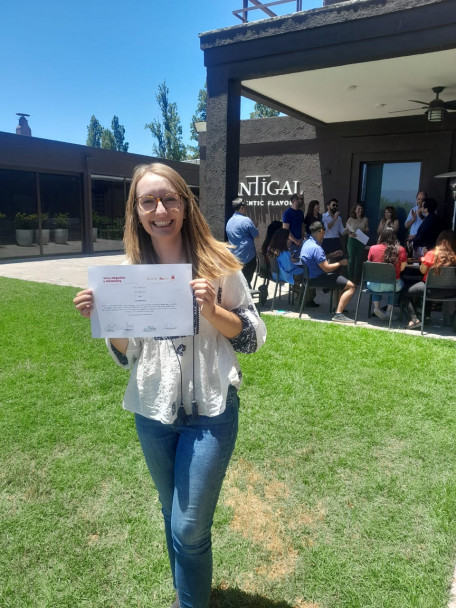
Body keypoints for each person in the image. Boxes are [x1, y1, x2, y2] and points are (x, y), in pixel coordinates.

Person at [73, 163, 267, 608]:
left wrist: (213, 309)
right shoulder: (128, 273)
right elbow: (127, 355)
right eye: (148, 201)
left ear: (185, 202)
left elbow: (254, 337)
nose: (159, 210)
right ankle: (187, 592)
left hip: (211, 412)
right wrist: (105, 320)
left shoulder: (218, 261)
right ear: (136, 210)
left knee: (188, 526)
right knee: (171, 512)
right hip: (153, 410)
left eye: (169, 199)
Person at [300, 221, 356, 323]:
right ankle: (338, 314)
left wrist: (331, 255)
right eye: (324, 231)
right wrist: (341, 263)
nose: (324, 233)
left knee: (341, 282)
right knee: (351, 286)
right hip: (318, 279)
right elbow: (327, 268)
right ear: (321, 231)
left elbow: (316, 259)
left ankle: (337, 308)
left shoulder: (307, 243)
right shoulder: (317, 248)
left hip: (308, 278)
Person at [402, 229, 456, 329]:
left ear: (439, 240)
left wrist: (426, 256)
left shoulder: (432, 254)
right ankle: (426, 316)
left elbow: (422, 271)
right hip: (451, 292)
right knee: (426, 286)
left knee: (405, 292)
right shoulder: (454, 256)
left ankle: (415, 319)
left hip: (431, 290)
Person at [366, 227, 407, 321]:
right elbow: (402, 268)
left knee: (376, 279)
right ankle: (389, 311)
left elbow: (369, 267)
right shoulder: (401, 250)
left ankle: (376, 308)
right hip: (393, 286)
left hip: (374, 285)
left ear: (382, 236)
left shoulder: (373, 248)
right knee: (400, 285)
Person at [226, 197, 259, 287]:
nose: (246, 210)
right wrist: (255, 226)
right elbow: (256, 235)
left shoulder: (229, 221)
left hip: (234, 256)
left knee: (239, 282)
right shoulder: (246, 220)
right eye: (246, 208)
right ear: (241, 207)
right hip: (247, 257)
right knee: (246, 281)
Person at [346, 203, 369, 284]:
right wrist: (349, 234)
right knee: (351, 259)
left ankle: (356, 279)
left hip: (361, 240)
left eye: (361, 209)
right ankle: (349, 278)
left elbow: (366, 229)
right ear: (355, 210)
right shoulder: (350, 219)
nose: (360, 210)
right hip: (352, 240)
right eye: (358, 209)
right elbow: (346, 230)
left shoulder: (365, 219)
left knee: (359, 260)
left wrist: (366, 229)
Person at [282, 193, 305, 259]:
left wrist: (302, 238)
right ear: (296, 200)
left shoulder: (301, 213)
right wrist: (295, 241)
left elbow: (302, 226)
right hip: (292, 244)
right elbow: (285, 230)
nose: (303, 201)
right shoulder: (287, 213)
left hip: (301, 242)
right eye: (301, 199)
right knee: (294, 263)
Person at [404, 191, 426, 258]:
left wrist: (421, 216)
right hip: (413, 242)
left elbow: (430, 226)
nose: (420, 201)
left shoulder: (429, 210)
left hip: (423, 242)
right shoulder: (413, 210)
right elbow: (406, 226)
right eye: (419, 199)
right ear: (416, 200)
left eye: (422, 199)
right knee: (413, 261)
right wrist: (413, 219)